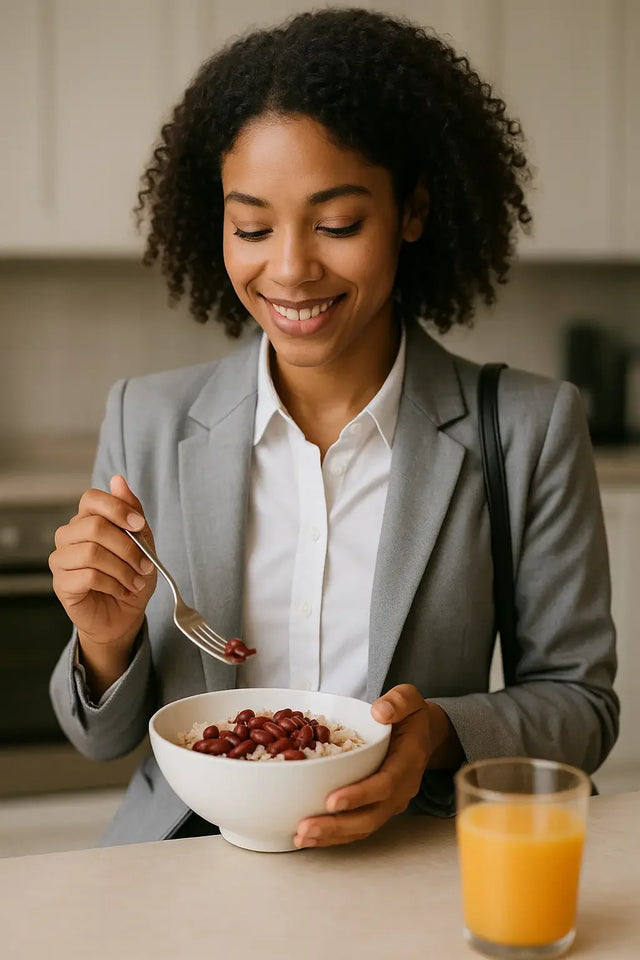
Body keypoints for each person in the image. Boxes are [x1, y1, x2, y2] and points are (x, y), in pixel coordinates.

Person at [49, 7, 619, 848]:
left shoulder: (530, 428)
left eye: (338, 224)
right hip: (188, 868)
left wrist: (435, 736)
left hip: (411, 862)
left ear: (413, 211)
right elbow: (103, 740)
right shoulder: (148, 418)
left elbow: (581, 706)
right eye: (251, 226)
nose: (288, 269)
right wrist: (106, 639)